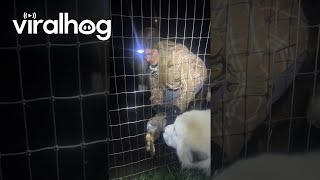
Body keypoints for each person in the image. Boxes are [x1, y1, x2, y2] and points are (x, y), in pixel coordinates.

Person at [139, 27, 208, 124]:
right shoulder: (153, 62)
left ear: (159, 47)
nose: (148, 59)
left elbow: (189, 85)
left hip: (195, 75)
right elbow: (155, 86)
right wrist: (156, 103)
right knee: (165, 108)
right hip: (173, 80)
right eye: (145, 55)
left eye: (151, 53)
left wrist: (177, 108)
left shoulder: (178, 55)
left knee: (175, 109)